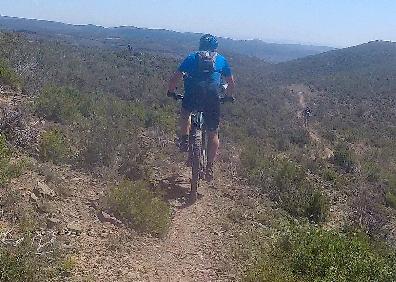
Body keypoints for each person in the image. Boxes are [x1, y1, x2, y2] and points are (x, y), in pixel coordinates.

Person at [167, 34, 235, 181]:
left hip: (192, 94)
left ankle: (184, 140)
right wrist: (228, 96)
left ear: (200, 45)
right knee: (213, 133)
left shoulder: (191, 57)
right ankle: (210, 166)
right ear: (215, 47)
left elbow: (174, 78)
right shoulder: (221, 59)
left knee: (185, 114)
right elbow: (231, 83)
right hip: (212, 97)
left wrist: (171, 92)